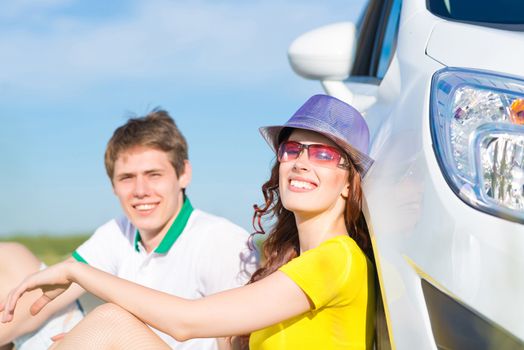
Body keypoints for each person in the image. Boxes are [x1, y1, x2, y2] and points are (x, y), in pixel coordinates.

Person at [2, 95, 376, 349]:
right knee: (16, 259)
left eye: (324, 154)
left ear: (349, 182)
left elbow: (187, 322)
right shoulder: (298, 261)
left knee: (110, 321)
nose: (302, 162)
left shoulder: (336, 259)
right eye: (291, 149)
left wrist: (78, 273)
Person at [0, 110, 256, 350]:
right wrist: (88, 336)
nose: (140, 190)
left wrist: (108, 338)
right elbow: (44, 302)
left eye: (153, 174)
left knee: (110, 319)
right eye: (127, 178)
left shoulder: (222, 242)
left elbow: (236, 342)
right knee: (9, 256)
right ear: (113, 185)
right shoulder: (118, 231)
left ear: (183, 174)